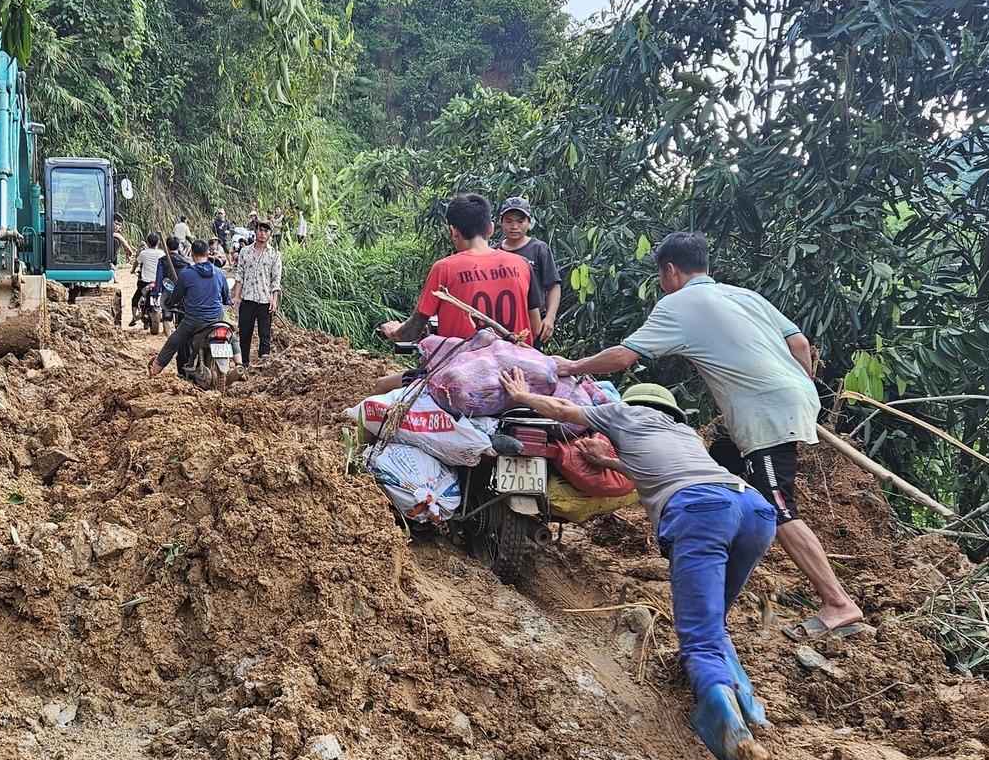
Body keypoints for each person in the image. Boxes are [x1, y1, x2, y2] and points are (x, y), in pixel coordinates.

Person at [498, 372, 776, 760]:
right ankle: (749, 704)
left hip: (701, 511)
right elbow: (656, 468)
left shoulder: (623, 413)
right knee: (714, 624)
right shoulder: (683, 433)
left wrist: (519, 395)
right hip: (753, 510)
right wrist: (609, 460)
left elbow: (566, 413)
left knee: (700, 641)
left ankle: (737, 746)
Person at [558, 231, 866, 639]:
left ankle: (838, 603)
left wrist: (570, 366)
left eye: (660, 275)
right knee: (715, 470)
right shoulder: (744, 295)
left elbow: (623, 357)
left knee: (778, 506)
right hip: (790, 397)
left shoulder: (679, 304)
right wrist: (800, 389)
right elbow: (800, 342)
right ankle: (713, 602)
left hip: (764, 413)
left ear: (669, 270)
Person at [370, 192, 535, 395]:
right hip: (519, 373)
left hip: (463, 375)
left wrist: (394, 331)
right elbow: (534, 326)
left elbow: (412, 331)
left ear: (453, 231)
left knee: (380, 386)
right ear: (491, 228)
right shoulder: (522, 265)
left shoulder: (445, 268)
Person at [149, 239, 230, 377]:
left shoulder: (187, 274)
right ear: (208, 252)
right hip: (217, 318)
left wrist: (171, 302)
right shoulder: (219, 273)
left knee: (172, 343)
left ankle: (153, 374)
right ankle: (240, 366)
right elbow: (226, 298)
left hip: (194, 320)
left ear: (192, 253)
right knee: (231, 338)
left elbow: (175, 298)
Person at [496, 196, 562, 345]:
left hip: (533, 322)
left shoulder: (539, 249)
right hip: (500, 323)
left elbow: (554, 286)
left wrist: (550, 317)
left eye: (520, 221)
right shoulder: (493, 250)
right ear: (501, 222)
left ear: (529, 222)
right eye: (509, 221)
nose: (514, 226)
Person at [233, 219, 283, 364]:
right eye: (260, 230)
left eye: (266, 231)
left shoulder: (274, 254)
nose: (262, 233)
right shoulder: (245, 251)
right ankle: (243, 365)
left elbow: (275, 279)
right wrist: (236, 296)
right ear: (255, 231)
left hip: (265, 301)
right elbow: (239, 275)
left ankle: (263, 365)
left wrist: (274, 300)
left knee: (264, 335)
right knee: (244, 333)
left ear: (270, 234)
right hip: (248, 299)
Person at [129, 233, 165, 327]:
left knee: (135, 298)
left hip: (145, 282)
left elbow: (137, 262)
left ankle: (134, 316)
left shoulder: (143, 253)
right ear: (158, 242)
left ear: (148, 242)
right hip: (158, 282)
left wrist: (133, 270)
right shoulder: (162, 254)